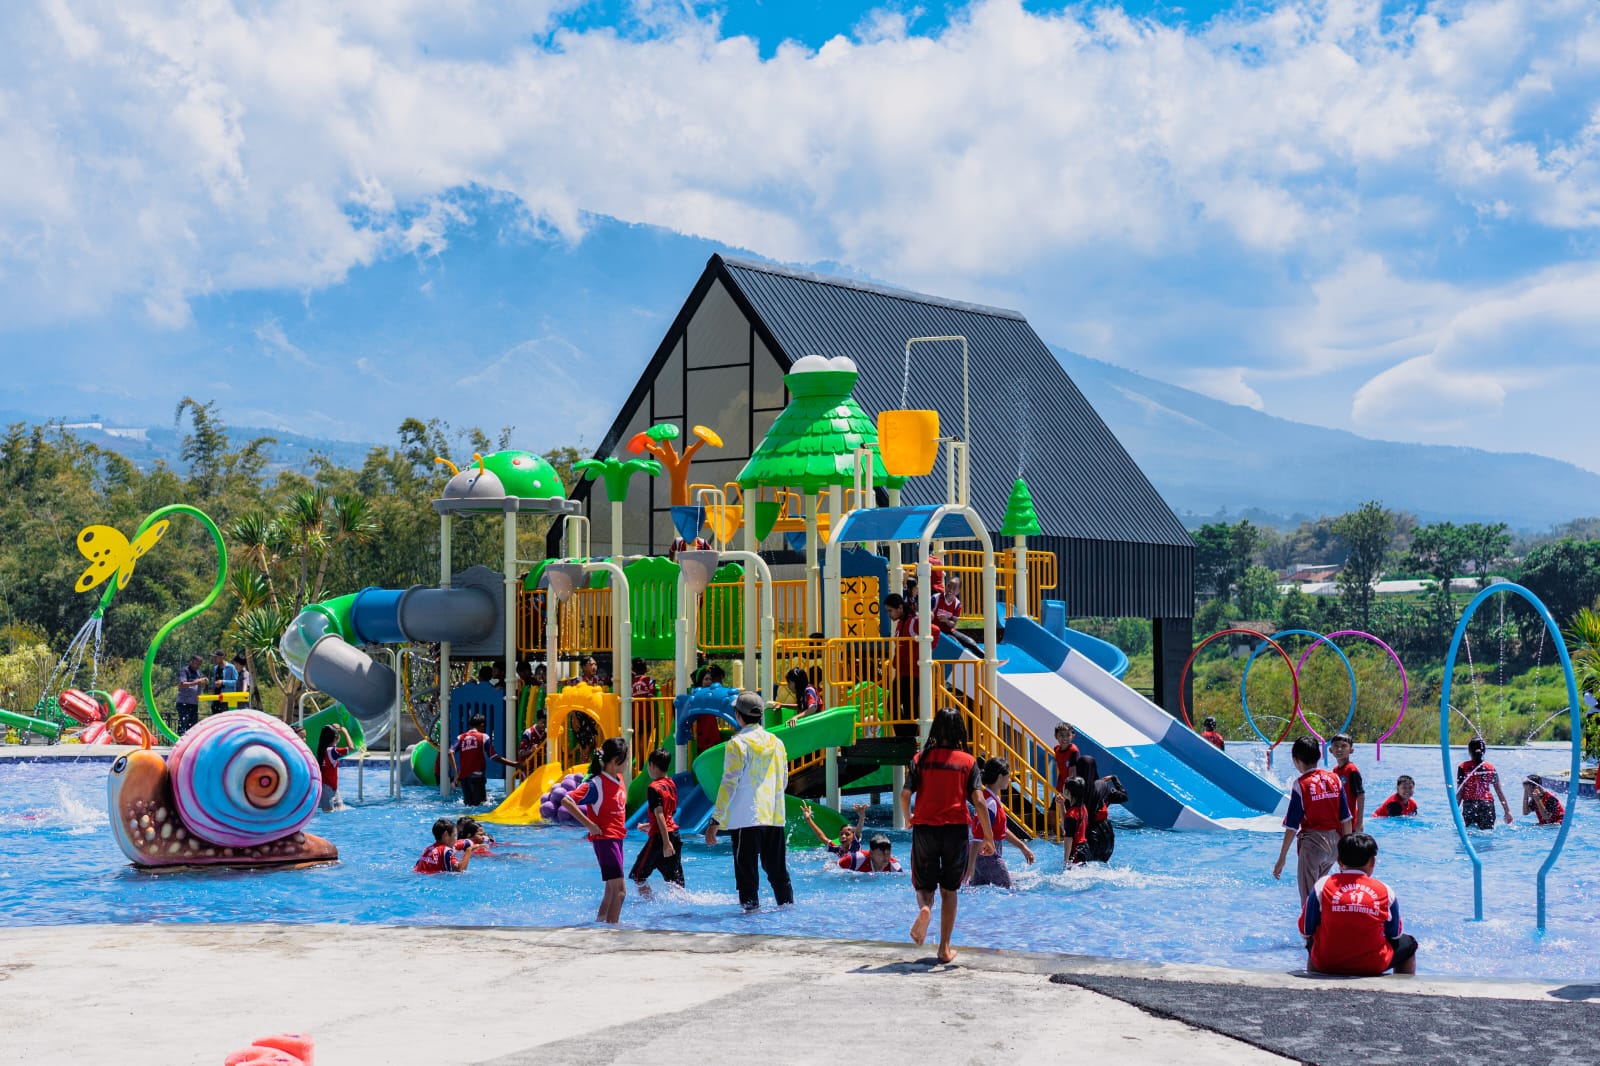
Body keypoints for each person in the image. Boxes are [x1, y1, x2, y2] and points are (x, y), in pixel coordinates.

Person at [901, 707, 990, 964]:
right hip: (956, 831)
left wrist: (909, 818)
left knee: (924, 885)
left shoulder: (921, 759)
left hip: (926, 828)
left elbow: (905, 794)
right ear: (960, 730)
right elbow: (979, 801)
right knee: (950, 890)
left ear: (935, 729)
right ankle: (944, 948)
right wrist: (988, 838)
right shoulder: (968, 761)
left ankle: (925, 909)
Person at [705, 691, 793, 912]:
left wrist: (715, 820)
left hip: (746, 819)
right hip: (774, 816)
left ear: (738, 715)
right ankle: (788, 912)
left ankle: (750, 924)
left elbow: (728, 784)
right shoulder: (777, 742)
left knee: (747, 875)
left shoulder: (737, 743)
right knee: (778, 873)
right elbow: (783, 781)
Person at [1299, 833, 1418, 976]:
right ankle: (1402, 991)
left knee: (1315, 939)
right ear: (1372, 862)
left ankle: (1314, 980)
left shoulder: (1323, 885)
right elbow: (1395, 935)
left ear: (1339, 861)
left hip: (1326, 962)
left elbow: (1306, 930)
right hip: (1373, 965)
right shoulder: (1385, 890)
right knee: (1409, 944)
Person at [1273, 736, 1353, 906]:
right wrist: (1346, 855)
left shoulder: (1300, 784)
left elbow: (1291, 826)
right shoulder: (1334, 778)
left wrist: (1282, 858)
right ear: (1319, 756)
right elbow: (1346, 819)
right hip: (1335, 846)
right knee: (1320, 893)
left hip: (1313, 846)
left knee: (1309, 902)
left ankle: (1311, 932)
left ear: (1296, 760)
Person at [562, 737, 631, 923]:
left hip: (617, 839)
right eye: (626, 758)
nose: (628, 762)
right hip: (605, 840)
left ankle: (601, 925)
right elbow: (567, 800)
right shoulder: (596, 784)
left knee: (610, 891)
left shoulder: (619, 779)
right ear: (616, 759)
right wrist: (590, 825)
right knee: (620, 892)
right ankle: (613, 930)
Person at [963, 757, 1036, 888]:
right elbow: (978, 837)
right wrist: (970, 866)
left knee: (979, 895)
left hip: (982, 858)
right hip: (988, 857)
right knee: (1009, 891)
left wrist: (1022, 847)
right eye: (1008, 776)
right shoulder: (990, 803)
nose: (1010, 779)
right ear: (1000, 777)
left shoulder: (990, 798)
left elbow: (1002, 829)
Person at [630, 749, 685, 896]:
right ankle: (683, 907)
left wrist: (666, 843)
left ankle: (650, 905)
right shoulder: (671, 784)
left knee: (638, 876)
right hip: (674, 834)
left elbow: (660, 813)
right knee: (675, 881)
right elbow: (669, 813)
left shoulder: (654, 788)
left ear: (652, 765)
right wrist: (649, 825)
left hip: (661, 838)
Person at [450, 713, 516, 806]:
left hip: (464, 778)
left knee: (468, 806)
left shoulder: (460, 737)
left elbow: (450, 752)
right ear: (482, 725)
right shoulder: (484, 737)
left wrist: (456, 774)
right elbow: (494, 757)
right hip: (477, 777)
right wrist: (515, 764)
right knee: (481, 805)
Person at [1073, 752, 1126, 863]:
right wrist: (1114, 779)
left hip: (1085, 833)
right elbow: (1123, 797)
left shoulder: (1075, 789)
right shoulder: (1103, 786)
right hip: (1105, 833)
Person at [1455, 737, 1513, 829]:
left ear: (1469, 751)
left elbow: (1460, 792)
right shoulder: (1490, 767)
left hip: (1469, 805)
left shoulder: (1463, 767)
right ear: (1484, 751)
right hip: (1487, 804)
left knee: (1471, 833)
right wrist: (1507, 811)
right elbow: (1499, 791)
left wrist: (1455, 810)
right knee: (1488, 833)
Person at [884, 592, 920, 738]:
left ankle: (908, 739)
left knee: (910, 708)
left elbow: (935, 632)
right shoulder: (900, 623)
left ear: (900, 608)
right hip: (901, 672)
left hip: (913, 673)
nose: (889, 615)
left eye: (890, 611)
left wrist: (917, 658)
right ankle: (904, 737)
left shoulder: (913, 621)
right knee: (891, 704)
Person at [930, 574, 981, 655]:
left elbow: (953, 625)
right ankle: (969, 660)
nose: (950, 589)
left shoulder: (957, 604)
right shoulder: (935, 598)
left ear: (958, 591)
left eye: (954, 588)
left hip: (948, 631)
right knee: (956, 644)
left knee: (970, 642)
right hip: (936, 632)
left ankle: (986, 658)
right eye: (949, 586)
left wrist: (946, 620)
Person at [1327, 733, 1366, 833]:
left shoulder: (1352, 771)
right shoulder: (1335, 770)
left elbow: (1360, 796)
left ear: (1351, 750)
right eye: (1336, 746)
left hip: (1351, 822)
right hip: (1339, 821)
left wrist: (1359, 822)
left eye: (1344, 746)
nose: (1339, 749)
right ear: (1330, 750)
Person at [799, 801, 866, 856]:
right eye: (841, 834)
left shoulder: (855, 846)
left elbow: (858, 831)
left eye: (847, 834)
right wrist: (808, 819)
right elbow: (821, 837)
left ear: (854, 837)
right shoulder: (838, 850)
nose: (843, 836)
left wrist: (862, 817)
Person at [315, 723, 355, 812]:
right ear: (336, 737)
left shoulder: (323, 750)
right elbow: (351, 747)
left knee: (335, 810)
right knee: (331, 811)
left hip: (328, 787)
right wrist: (345, 732)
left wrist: (334, 730)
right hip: (330, 787)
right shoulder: (332, 751)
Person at [1057, 776, 1092, 866]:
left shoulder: (1071, 814)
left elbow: (1068, 838)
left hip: (1075, 852)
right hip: (1085, 849)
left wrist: (1065, 860)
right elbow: (1067, 823)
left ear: (1067, 792)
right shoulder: (1082, 807)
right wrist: (1061, 805)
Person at [839, 834, 904, 873]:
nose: (886, 858)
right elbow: (835, 867)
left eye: (888, 854)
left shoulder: (895, 867)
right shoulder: (856, 859)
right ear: (871, 853)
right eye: (881, 854)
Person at [175, 655, 205, 732]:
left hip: (194, 703)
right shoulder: (185, 670)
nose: (197, 666)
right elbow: (182, 684)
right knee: (183, 725)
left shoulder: (198, 673)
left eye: (199, 664)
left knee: (193, 727)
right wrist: (195, 682)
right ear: (191, 662)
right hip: (183, 703)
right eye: (196, 663)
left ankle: (191, 743)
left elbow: (201, 687)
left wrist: (203, 683)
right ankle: (180, 741)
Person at [1052, 723, 1080, 795]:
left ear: (1073, 736)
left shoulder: (1073, 751)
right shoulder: (1056, 748)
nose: (1065, 738)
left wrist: (1068, 789)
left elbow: (1073, 773)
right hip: (1061, 782)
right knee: (1055, 804)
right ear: (1056, 736)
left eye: (1068, 735)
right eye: (1061, 735)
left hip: (1071, 785)